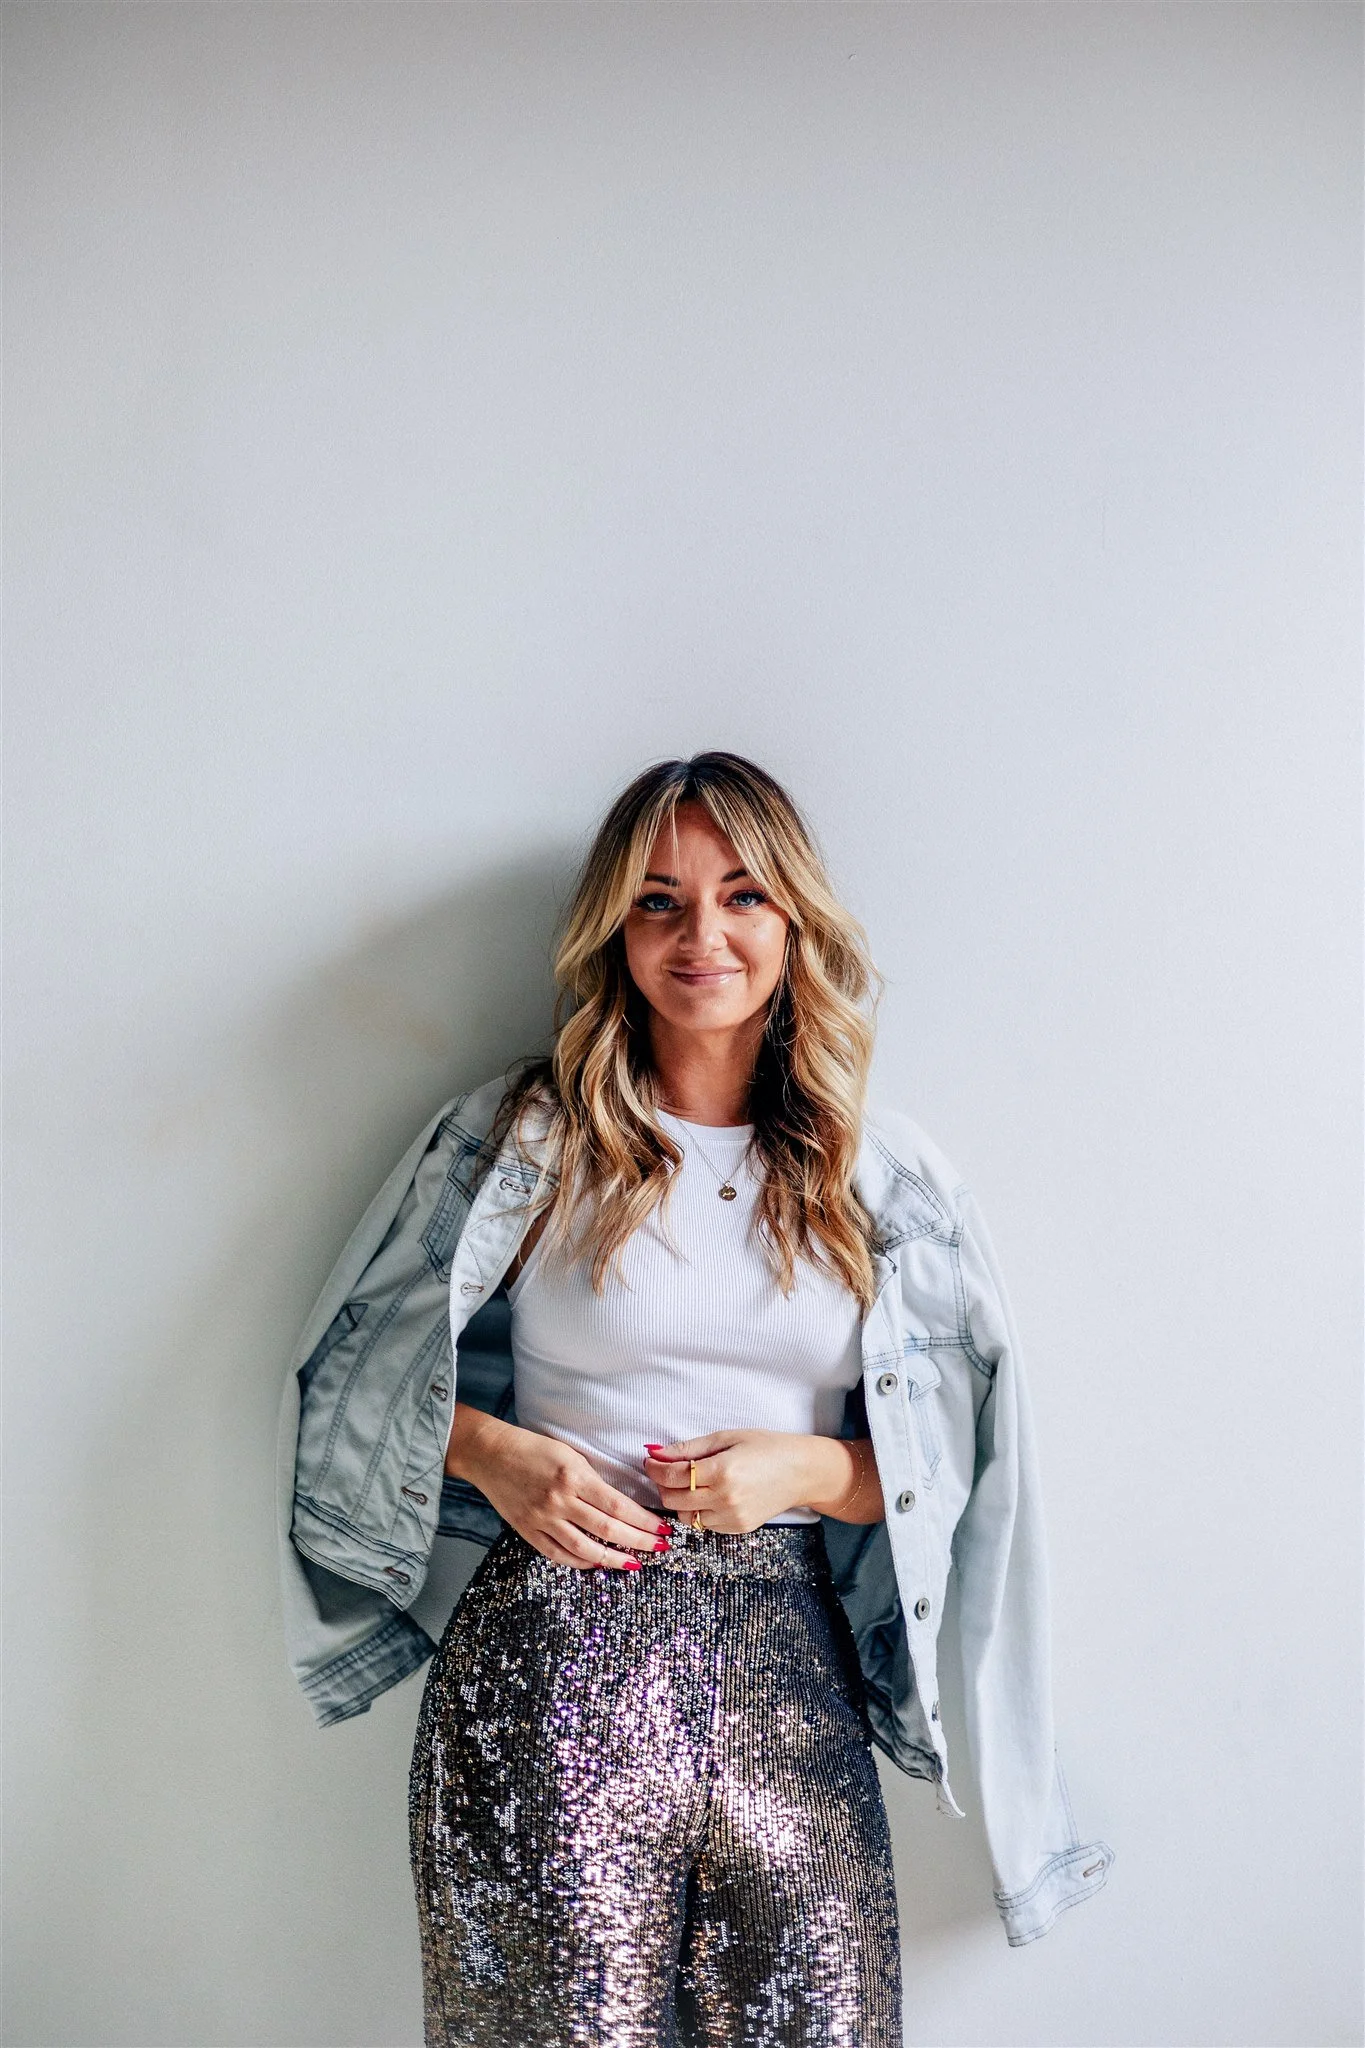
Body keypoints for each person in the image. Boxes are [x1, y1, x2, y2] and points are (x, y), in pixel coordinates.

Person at [276, 752, 1113, 2048]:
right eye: (659, 901)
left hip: (793, 1674)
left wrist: (808, 1472)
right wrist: (496, 1454)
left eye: (742, 897)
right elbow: (350, 1381)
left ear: (794, 922)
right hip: (550, 1669)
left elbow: (971, 1463)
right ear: (615, 929)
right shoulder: (527, 1138)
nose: (702, 935)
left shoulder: (882, 1174)